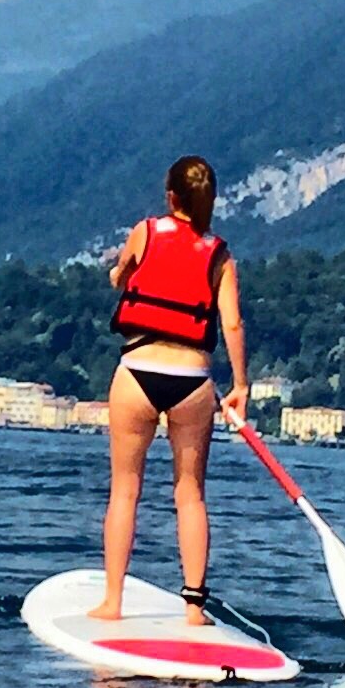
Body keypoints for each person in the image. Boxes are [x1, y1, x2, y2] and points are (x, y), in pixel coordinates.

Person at [87, 156, 247, 626]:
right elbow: (232, 323)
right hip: (193, 382)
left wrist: (120, 276)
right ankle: (193, 610)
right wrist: (240, 385)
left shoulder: (146, 232)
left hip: (138, 370)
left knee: (124, 491)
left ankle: (113, 602)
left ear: (171, 196)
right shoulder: (219, 254)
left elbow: (121, 274)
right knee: (191, 494)